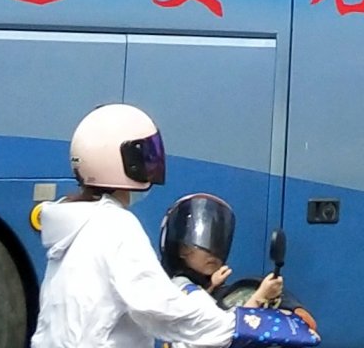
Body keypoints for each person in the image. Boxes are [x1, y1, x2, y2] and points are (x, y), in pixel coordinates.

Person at [34, 104, 249, 348]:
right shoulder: (114, 225)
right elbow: (159, 306)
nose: (151, 163)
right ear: (120, 160)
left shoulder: (74, 226)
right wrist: (238, 327)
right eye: (144, 154)